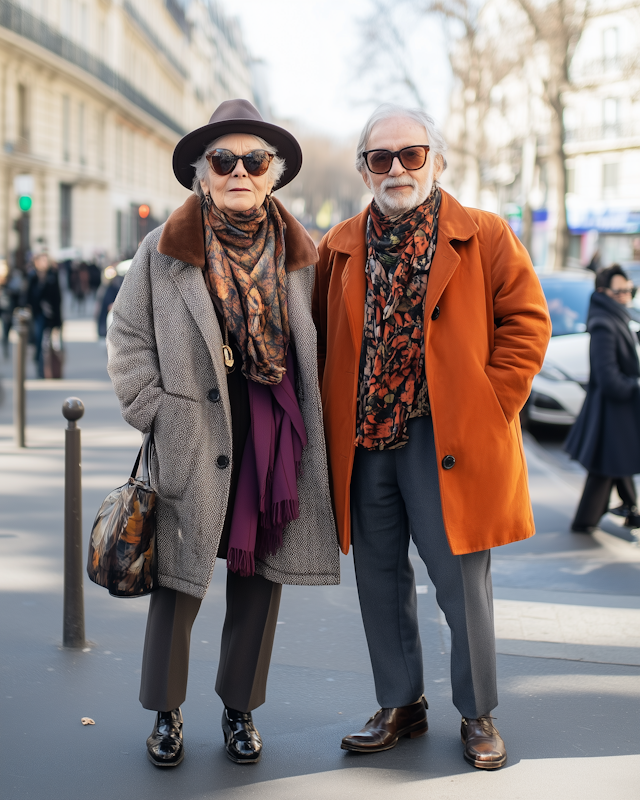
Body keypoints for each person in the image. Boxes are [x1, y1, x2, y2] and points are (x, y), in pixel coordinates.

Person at [312, 104, 551, 769]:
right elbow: (321, 339)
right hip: (366, 443)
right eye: (380, 158)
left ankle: (478, 714)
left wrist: (490, 404)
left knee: (460, 585)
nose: (396, 169)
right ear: (364, 170)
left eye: (410, 155)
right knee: (379, 580)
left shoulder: (486, 236)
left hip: (448, 441)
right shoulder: (337, 247)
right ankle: (400, 705)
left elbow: (527, 326)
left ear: (437, 162)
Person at [107, 99, 339, 769]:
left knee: (261, 577)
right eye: (224, 160)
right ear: (201, 173)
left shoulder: (305, 255)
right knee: (178, 580)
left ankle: (240, 710)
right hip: (192, 427)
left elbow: (325, 340)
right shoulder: (163, 249)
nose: (239, 170)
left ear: (275, 173)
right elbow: (126, 337)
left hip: (272, 427)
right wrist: (154, 407)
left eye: (254, 160)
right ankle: (165, 712)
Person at [565, 265, 640, 531]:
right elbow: (609, 379)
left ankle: (631, 508)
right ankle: (585, 523)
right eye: (618, 291)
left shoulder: (617, 316)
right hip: (610, 412)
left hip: (615, 414)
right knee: (607, 466)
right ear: (603, 292)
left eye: (629, 290)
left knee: (616, 462)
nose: (625, 296)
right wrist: (635, 385)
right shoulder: (604, 324)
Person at [26, 252, 62, 378]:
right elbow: (29, 297)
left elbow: (58, 298)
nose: (44, 263)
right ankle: (41, 368)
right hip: (39, 314)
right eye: (41, 261)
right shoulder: (33, 277)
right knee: (40, 340)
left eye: (46, 261)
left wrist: (59, 320)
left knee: (54, 343)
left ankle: (53, 368)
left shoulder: (53, 275)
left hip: (52, 314)